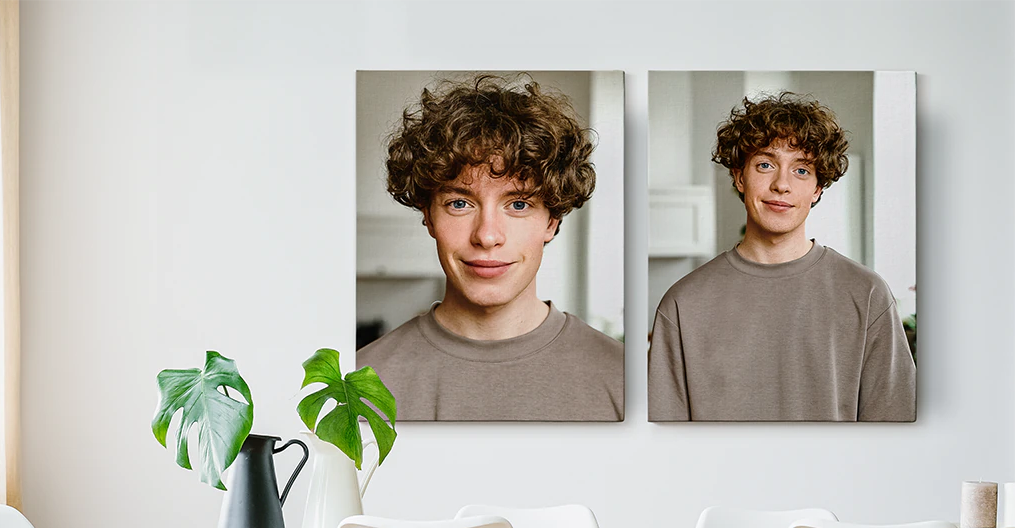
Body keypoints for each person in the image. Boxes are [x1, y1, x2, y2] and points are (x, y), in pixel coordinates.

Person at [358, 74, 624, 422]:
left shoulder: (626, 380)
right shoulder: (361, 382)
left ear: (552, 220)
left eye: (517, 205)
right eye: (459, 203)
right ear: (429, 216)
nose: (486, 236)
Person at [648, 92, 915, 422]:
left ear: (818, 188)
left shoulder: (868, 294)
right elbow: (664, 450)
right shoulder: (682, 303)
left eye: (801, 170)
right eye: (765, 165)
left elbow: (895, 436)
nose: (781, 185)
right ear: (739, 176)